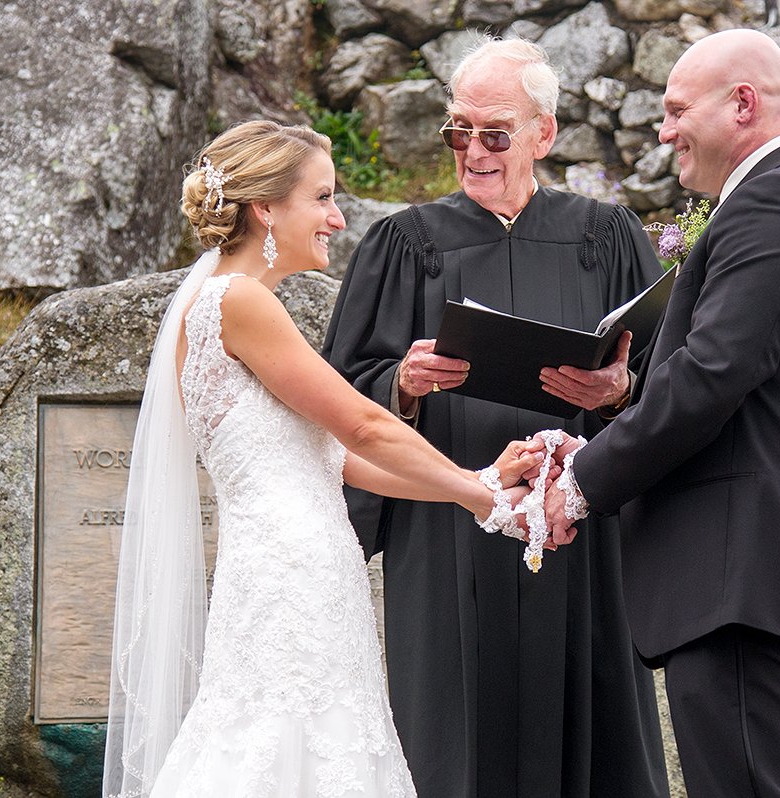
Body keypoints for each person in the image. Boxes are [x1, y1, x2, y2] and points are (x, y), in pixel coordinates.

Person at [102, 120, 544, 798]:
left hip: (301, 564)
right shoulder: (238, 300)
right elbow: (365, 425)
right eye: (322, 198)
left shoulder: (230, 301)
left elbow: (336, 459)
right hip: (290, 574)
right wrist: (485, 501)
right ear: (266, 209)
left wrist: (473, 483)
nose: (337, 218)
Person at [322, 36, 670, 798]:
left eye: (494, 133)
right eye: (457, 129)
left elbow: (671, 381)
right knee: (454, 737)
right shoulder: (403, 245)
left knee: (593, 726)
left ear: (543, 134)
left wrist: (614, 392)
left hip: (578, 526)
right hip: (451, 531)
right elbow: (340, 393)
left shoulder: (607, 239)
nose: (471, 149)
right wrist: (405, 384)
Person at [539, 29, 780, 798]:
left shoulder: (779, 202)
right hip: (736, 583)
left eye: (677, 109)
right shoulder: (772, 202)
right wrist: (624, 395)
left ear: (743, 105)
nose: (663, 130)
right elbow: (736, 373)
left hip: (744, 581)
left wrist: (581, 482)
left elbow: (715, 377)